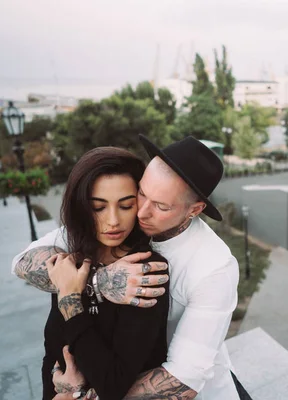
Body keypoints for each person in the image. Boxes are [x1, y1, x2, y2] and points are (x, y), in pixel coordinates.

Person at [12, 135, 249, 399]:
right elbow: (22, 261)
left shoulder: (214, 266)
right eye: (142, 193)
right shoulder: (117, 222)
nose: (141, 212)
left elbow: (184, 379)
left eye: (161, 206)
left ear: (195, 209)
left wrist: (82, 395)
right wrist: (99, 281)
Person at [41, 147, 170, 399]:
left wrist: (71, 303)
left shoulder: (145, 271)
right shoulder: (74, 261)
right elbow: (52, 353)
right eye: (98, 207)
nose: (113, 221)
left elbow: (113, 384)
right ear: (81, 208)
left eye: (126, 205)